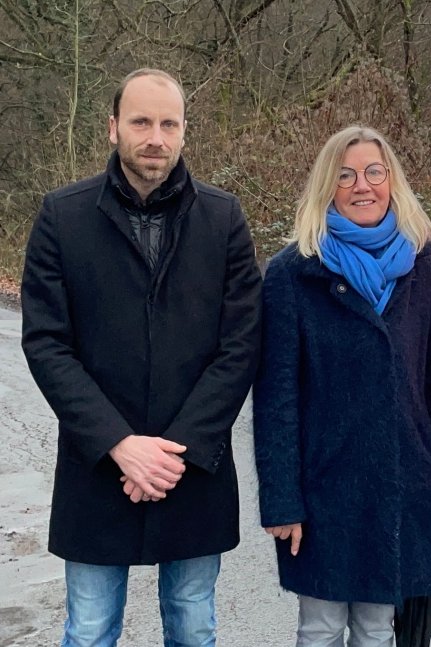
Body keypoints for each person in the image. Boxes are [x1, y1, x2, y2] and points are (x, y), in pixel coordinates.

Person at [20, 68, 261, 646]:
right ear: (113, 128)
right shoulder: (63, 216)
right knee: (90, 630)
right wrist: (120, 445)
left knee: (193, 625)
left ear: (184, 133)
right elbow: (47, 343)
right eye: (141, 122)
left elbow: (241, 344)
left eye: (168, 124)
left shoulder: (224, 219)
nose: (155, 137)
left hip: (193, 466)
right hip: (97, 466)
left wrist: (173, 452)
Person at [252, 125, 431, 647]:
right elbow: (276, 398)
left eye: (373, 172)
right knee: (319, 629)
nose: (361, 185)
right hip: (323, 490)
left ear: (392, 182)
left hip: (402, 484)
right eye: (345, 175)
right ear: (327, 186)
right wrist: (282, 500)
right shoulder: (293, 273)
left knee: (377, 630)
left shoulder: (423, 265)